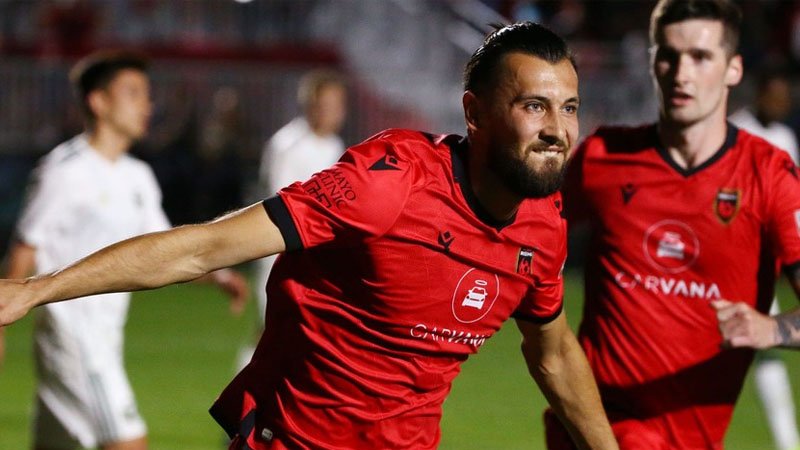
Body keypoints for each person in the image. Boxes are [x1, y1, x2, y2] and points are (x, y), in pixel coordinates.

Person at [0, 23, 619, 450]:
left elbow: (554, 353)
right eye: (534, 106)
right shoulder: (390, 185)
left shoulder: (545, 225)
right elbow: (202, 247)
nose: (557, 129)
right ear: (474, 113)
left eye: (568, 107)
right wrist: (36, 289)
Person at [548, 0, 800, 448]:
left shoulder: (769, 177)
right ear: (653, 62)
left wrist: (771, 329)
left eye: (700, 57)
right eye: (669, 55)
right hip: (595, 431)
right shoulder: (603, 157)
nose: (681, 73)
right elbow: (523, 231)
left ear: (733, 69)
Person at [0, 50, 248, 450]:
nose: (146, 105)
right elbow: (25, 250)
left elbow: (165, 251)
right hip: (76, 341)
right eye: (133, 93)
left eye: (147, 95)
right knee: (130, 443)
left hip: (104, 340)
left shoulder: (138, 177)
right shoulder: (65, 171)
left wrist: (218, 275)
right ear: (99, 102)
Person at [237, 69, 347, 370]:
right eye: (325, 105)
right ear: (310, 105)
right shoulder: (288, 145)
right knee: (272, 326)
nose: (332, 112)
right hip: (280, 248)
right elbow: (280, 202)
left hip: (316, 251)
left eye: (337, 105)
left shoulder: (335, 146)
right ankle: (244, 386)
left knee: (307, 330)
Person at [729, 68, 800, 450]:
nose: (780, 104)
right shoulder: (736, 131)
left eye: (785, 98)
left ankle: (788, 441)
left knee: (764, 348)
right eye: (775, 96)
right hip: (733, 256)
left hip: (769, 259)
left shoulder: (785, 137)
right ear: (759, 95)